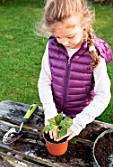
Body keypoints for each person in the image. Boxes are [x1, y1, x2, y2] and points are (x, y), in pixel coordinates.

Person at [38, 0, 113, 141]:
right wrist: (50, 114)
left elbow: (103, 95)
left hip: (81, 116)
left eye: (70, 36)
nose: (64, 42)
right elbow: (44, 82)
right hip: (56, 112)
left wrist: (79, 123)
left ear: (85, 24)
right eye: (58, 36)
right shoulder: (52, 47)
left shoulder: (94, 53)